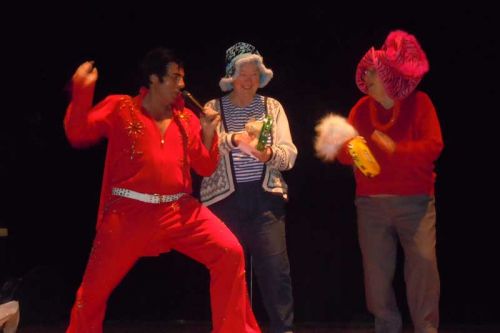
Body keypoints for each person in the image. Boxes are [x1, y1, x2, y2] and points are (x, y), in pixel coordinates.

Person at [63, 47, 261, 333]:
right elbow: (77, 131)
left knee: (230, 252)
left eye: (182, 78)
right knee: (91, 294)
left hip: (179, 211)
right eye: (174, 77)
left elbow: (204, 168)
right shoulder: (120, 107)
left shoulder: (188, 119)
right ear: (153, 79)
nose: (182, 84)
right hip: (127, 215)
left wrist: (207, 134)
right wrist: (82, 89)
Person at [317, 30, 443, 333]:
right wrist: (341, 145)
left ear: (387, 74)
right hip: (371, 205)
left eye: (372, 72)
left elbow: (433, 147)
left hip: (416, 202)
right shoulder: (360, 110)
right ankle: (387, 326)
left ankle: (426, 329)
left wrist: (396, 150)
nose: (367, 77)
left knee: (423, 267)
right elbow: (350, 158)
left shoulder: (420, 103)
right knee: (375, 276)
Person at [200, 42, 297, 333]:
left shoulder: (272, 107)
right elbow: (205, 149)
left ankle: (284, 330)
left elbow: (289, 154)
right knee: (230, 275)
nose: (249, 79)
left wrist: (268, 155)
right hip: (225, 201)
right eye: (243, 72)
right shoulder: (213, 108)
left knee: (275, 274)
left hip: (265, 199)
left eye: (255, 73)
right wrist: (237, 139)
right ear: (231, 75)